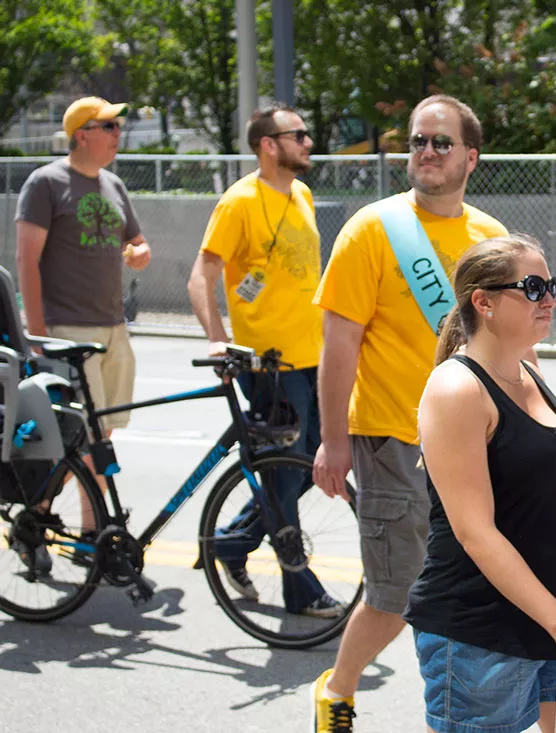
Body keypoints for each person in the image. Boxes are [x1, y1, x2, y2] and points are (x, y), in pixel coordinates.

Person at [309, 95, 507, 733]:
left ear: (470, 156)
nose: (425, 152)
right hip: (392, 441)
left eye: (440, 143)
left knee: (481, 580)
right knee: (398, 596)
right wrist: (333, 442)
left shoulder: (490, 240)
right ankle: (337, 690)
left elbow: (507, 348)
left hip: (476, 443)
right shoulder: (372, 229)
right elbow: (339, 345)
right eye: (418, 141)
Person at [405, 234, 556, 733]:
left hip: (545, 618)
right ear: (484, 302)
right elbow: (474, 532)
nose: (550, 298)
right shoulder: (457, 388)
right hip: (481, 634)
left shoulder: (526, 369)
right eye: (533, 286)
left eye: (551, 285)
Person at [186, 102, 340, 618]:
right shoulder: (239, 203)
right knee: (284, 474)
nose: (308, 142)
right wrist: (216, 338)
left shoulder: (302, 195)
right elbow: (201, 277)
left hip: (313, 358)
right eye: (298, 134)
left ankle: (230, 543)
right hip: (270, 366)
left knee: (303, 467)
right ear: (268, 145)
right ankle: (302, 589)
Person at [15, 97, 151, 430]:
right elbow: (26, 261)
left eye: (117, 126)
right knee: (83, 438)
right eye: (108, 126)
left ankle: (85, 485)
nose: (117, 132)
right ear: (82, 135)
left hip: (115, 328)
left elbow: (138, 243)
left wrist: (141, 253)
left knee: (105, 431)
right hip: (68, 330)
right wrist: (37, 336)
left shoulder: (114, 185)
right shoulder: (45, 183)